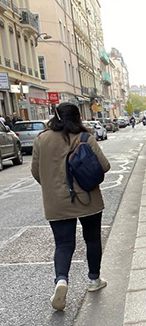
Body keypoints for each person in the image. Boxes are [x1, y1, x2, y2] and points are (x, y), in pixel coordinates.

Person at [31, 102, 111, 311]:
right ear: (78, 117)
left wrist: (53, 187)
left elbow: (36, 172)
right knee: (92, 239)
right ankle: (94, 279)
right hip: (88, 199)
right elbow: (104, 166)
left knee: (63, 244)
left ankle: (61, 280)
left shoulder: (42, 139)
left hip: (56, 202)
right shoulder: (85, 138)